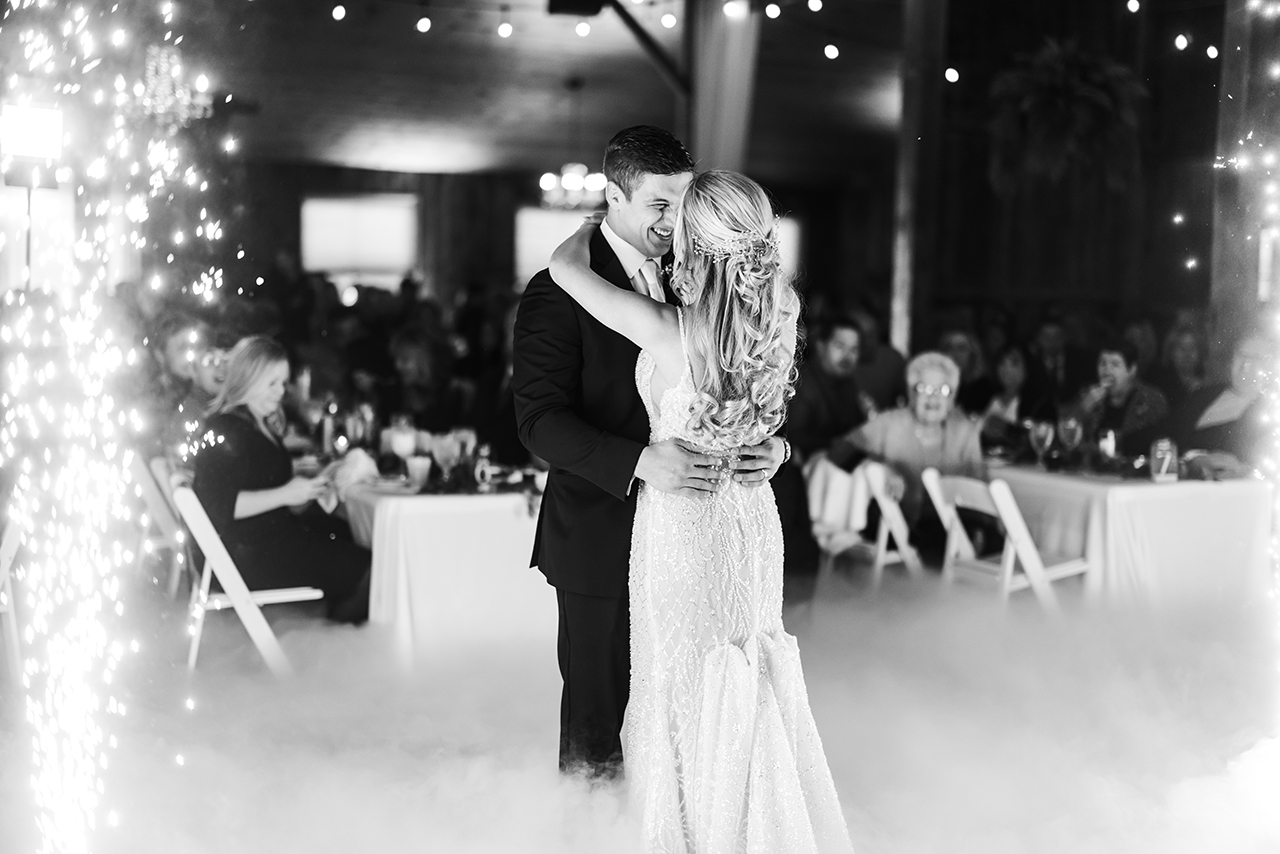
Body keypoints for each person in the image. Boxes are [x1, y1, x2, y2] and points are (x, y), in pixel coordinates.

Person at [548, 169, 852, 852]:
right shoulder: (780, 316)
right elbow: (763, 419)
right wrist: (779, 448)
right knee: (746, 671)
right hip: (750, 516)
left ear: (695, 241)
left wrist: (599, 221)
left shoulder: (666, 330)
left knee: (682, 685)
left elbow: (565, 269)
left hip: (685, 523)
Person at [514, 128, 789, 787]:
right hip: (603, 535)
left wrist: (775, 445)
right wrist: (638, 461)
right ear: (614, 196)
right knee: (600, 719)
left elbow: (746, 384)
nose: (674, 222)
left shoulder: (702, 273)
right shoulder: (556, 293)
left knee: (702, 706)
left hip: (703, 539)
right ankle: (592, 831)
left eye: (684, 205)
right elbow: (539, 423)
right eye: (659, 205)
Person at [190, 336, 370, 623]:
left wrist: (310, 487)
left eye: (283, 383)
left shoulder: (257, 423)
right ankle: (330, 637)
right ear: (247, 378)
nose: (281, 392)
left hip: (262, 539)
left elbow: (267, 489)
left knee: (346, 533)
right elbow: (216, 505)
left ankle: (327, 629)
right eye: (271, 383)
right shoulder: (226, 428)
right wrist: (286, 494)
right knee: (369, 569)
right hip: (243, 555)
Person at [838, 352, 986, 536]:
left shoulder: (965, 432)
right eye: (924, 388)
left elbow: (979, 486)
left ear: (952, 398)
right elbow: (841, 450)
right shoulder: (889, 423)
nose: (933, 398)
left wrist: (980, 528)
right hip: (891, 529)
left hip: (951, 531)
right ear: (911, 393)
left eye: (942, 390)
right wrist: (880, 469)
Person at [1168, 332, 1271, 478]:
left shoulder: (1269, 412)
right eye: (1241, 355)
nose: (1246, 366)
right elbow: (1163, 433)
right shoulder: (1203, 395)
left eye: (1256, 359)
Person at [788, 314, 871, 461]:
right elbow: (793, 437)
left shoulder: (848, 384)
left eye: (854, 349)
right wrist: (836, 444)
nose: (847, 356)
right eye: (840, 346)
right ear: (821, 346)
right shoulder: (800, 382)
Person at [1078, 338, 1169, 456]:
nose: (1107, 371)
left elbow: (1153, 443)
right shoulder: (1089, 395)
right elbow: (1070, 436)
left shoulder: (1151, 399)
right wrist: (1083, 409)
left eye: (1115, 364)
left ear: (1131, 370)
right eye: (1102, 363)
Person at [980, 344, 1055, 448]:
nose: (1006, 369)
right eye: (1002, 363)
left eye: (1013, 363)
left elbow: (1044, 440)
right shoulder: (986, 396)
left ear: (1027, 368)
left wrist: (1007, 429)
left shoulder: (1040, 404)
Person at [939, 327, 998, 416]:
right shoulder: (938, 384)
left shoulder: (984, 388)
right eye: (950, 348)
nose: (955, 354)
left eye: (961, 348)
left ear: (973, 354)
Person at [1151, 326, 1205, 412]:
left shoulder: (1207, 384)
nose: (1188, 354)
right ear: (1170, 352)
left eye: (1192, 347)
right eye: (1182, 348)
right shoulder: (1161, 388)